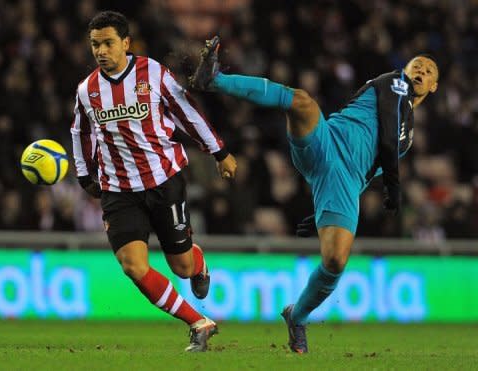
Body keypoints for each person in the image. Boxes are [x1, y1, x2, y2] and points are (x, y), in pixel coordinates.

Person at [190, 36, 438, 353]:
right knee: (302, 102)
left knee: (335, 260)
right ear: (405, 69)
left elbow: (369, 168)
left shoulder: (408, 139)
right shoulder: (392, 84)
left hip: (344, 179)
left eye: (429, 71)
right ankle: (214, 79)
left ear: (433, 87)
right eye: (417, 65)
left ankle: (298, 316)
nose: (421, 71)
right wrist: (394, 185)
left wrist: (321, 207)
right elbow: (386, 136)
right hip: (326, 140)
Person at [70, 12, 237, 352]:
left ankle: (199, 264)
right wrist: (85, 175)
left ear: (126, 43)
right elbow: (80, 133)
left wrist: (219, 152)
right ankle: (198, 323)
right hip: (118, 190)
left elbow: (185, 113)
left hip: (164, 181)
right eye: (95, 45)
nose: (101, 51)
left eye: (108, 43)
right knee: (133, 265)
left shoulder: (153, 73)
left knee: (183, 265)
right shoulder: (87, 90)